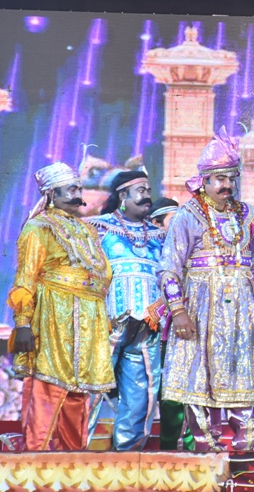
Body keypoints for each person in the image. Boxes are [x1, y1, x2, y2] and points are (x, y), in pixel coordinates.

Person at [158, 126, 254, 451]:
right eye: (220, 178)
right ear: (204, 180)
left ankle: (248, 438)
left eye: (232, 178)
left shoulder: (245, 214)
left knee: (241, 368)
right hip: (200, 307)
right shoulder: (188, 215)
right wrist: (178, 311)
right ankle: (204, 443)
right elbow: (169, 267)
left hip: (241, 309)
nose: (228, 185)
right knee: (199, 374)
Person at [8, 162, 115, 451]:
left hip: (87, 318)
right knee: (48, 387)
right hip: (53, 316)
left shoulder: (87, 230)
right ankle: (36, 459)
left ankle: (73, 463)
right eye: (71, 189)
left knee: (78, 393)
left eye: (79, 188)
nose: (79, 194)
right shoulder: (38, 227)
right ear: (52, 194)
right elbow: (26, 276)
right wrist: (22, 323)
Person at [86, 169, 164, 450]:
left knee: (141, 391)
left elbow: (169, 278)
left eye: (148, 190)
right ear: (122, 196)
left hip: (147, 324)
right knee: (91, 387)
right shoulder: (98, 228)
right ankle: (72, 450)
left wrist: (158, 310)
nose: (147, 196)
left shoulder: (159, 235)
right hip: (107, 322)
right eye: (141, 191)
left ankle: (128, 454)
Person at [146, 196, 193, 451]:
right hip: (154, 333)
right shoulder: (148, 253)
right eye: (174, 221)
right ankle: (168, 450)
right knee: (170, 395)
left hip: (188, 330)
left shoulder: (188, 250)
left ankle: (193, 449)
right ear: (156, 224)